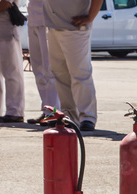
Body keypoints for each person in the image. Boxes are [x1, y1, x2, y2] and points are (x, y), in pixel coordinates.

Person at [42, 0, 102, 131]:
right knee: (60, 74)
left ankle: (87, 117)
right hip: (53, 26)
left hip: (75, 27)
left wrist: (90, 17)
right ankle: (69, 115)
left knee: (80, 73)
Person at [25, 0, 59, 124]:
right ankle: (46, 110)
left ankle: (55, 112)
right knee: (38, 71)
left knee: (49, 70)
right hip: (33, 20)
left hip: (47, 21)